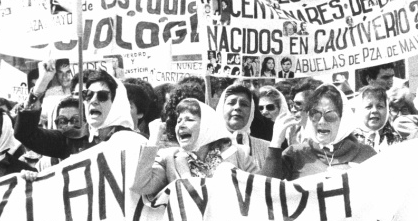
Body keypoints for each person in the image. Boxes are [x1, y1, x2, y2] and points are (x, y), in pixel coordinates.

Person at [130, 98, 260, 195]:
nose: (180, 125)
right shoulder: (169, 159)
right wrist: (153, 142)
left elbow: (262, 191)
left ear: (207, 127)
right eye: (179, 121)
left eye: (189, 120)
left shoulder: (237, 154)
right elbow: (140, 186)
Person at [15, 68, 147, 160]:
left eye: (102, 96)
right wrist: (41, 85)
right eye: (87, 95)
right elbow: (25, 133)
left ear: (116, 103)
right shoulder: (71, 139)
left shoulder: (137, 142)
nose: (93, 101)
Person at [262, 84, 376, 180]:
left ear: (344, 119)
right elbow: (266, 190)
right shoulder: (295, 154)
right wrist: (275, 143)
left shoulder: (367, 154)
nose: (321, 121)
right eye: (315, 114)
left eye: (330, 115)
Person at [215, 84, 270, 169]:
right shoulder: (207, 146)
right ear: (221, 108)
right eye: (231, 103)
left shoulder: (266, 148)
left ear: (251, 111)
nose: (237, 107)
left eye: (244, 104)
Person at [353, 86, 397, 153]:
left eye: (380, 106)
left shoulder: (396, 139)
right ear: (359, 110)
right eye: (368, 107)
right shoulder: (351, 141)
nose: (374, 110)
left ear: (387, 110)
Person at [287, 80, 319, 145]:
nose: (293, 110)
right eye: (292, 104)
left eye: (298, 104)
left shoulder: (323, 135)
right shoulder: (292, 133)